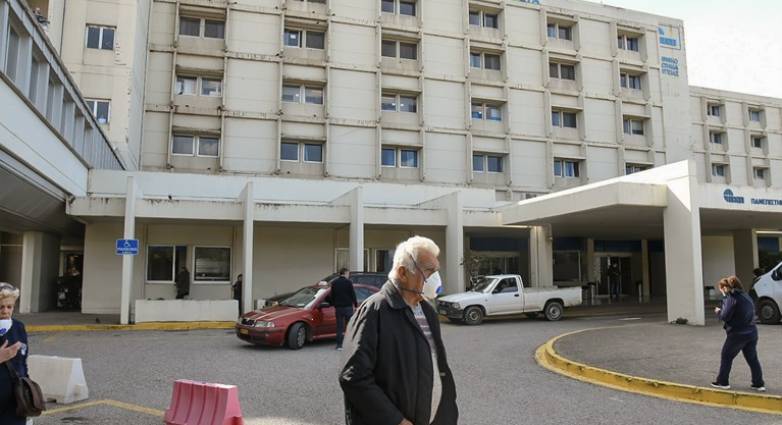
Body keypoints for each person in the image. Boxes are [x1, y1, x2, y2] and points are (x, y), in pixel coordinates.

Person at [339, 236, 458, 425]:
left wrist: (447, 413)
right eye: (429, 271)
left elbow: (437, 365)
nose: (435, 278)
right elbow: (353, 377)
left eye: (437, 271)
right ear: (403, 273)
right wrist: (396, 421)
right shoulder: (374, 311)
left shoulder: (427, 311)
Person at [711, 276, 765, 392]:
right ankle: (758, 383)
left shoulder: (732, 298)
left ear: (725, 288)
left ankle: (722, 382)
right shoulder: (746, 295)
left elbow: (725, 316)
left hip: (738, 333)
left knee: (726, 356)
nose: (721, 291)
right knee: (752, 358)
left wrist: (718, 311)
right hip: (752, 332)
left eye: (721, 289)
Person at [0, 283, 30, 425]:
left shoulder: (19, 327)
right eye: (1, 307)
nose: (5, 311)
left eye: (9, 307)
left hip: (15, 397)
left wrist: (26, 386)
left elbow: (23, 361)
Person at [328, 268, 356, 351]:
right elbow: (352, 294)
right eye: (348, 274)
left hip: (339, 308)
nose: (349, 275)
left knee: (339, 327)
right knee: (349, 326)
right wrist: (355, 304)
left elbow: (332, 295)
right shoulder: (348, 282)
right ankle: (349, 344)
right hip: (348, 307)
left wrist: (333, 304)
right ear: (345, 273)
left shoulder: (334, 283)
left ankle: (339, 345)